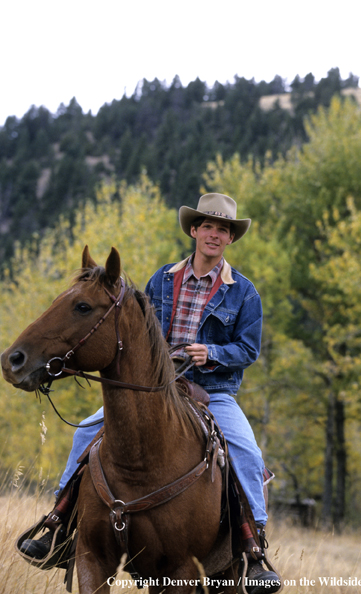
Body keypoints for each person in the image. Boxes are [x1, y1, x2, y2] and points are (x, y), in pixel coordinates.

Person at [21, 193, 280, 593]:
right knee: (85, 433)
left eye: (223, 229)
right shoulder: (163, 279)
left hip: (213, 390)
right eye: (207, 226)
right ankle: (58, 525)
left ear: (230, 239)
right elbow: (139, 331)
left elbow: (248, 350)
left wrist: (211, 352)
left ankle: (253, 546)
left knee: (246, 451)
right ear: (194, 230)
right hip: (157, 385)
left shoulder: (244, 293)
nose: (214, 234)